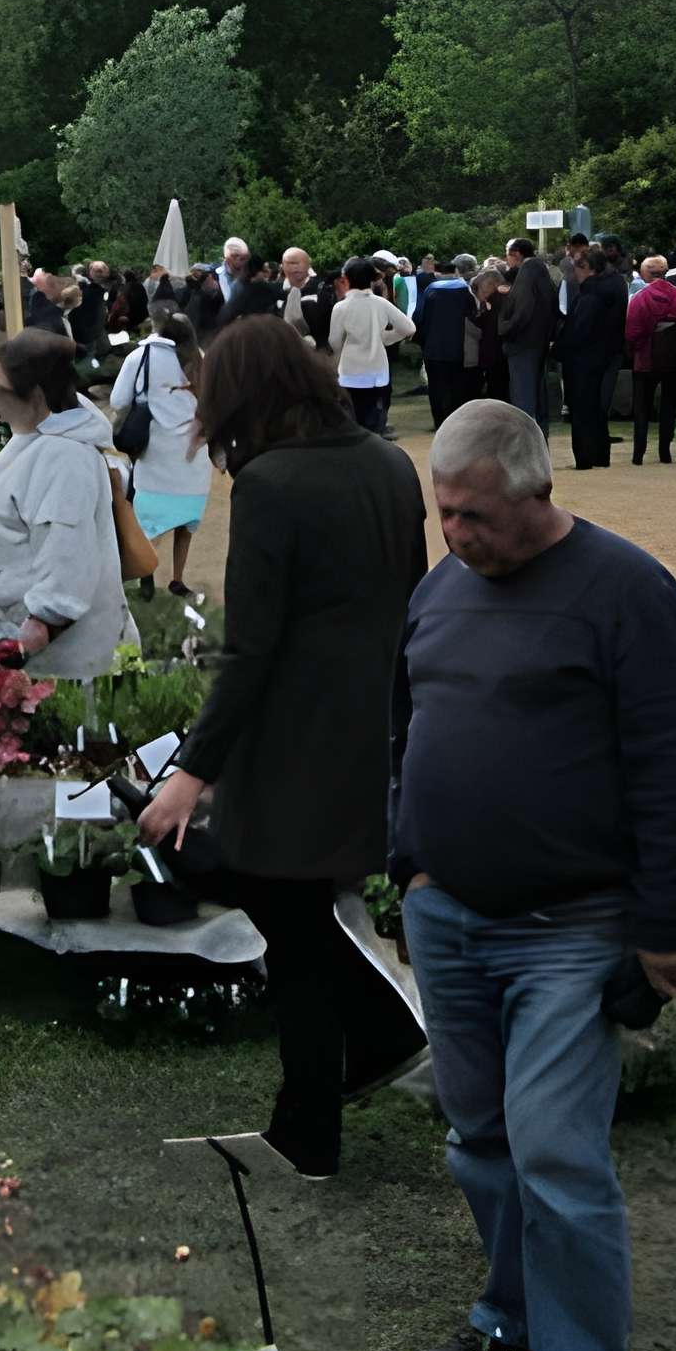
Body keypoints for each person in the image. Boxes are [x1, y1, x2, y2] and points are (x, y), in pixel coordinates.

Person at [393, 403, 676, 1351]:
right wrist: (405, 862)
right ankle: (512, 1319)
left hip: (569, 927)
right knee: (479, 1141)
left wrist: (670, 931)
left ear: (535, 494)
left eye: (474, 516)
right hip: (448, 914)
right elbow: (407, 726)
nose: (455, 535)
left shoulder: (625, 593)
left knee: (555, 1152)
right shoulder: (442, 587)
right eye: (442, 514)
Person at [136, 317, 429, 1179]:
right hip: (370, 718)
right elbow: (413, 599)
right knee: (293, 915)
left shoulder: (270, 483)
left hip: (293, 731)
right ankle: (341, 1078)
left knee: (289, 928)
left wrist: (192, 770)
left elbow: (252, 647)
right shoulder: (386, 460)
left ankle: (315, 1122)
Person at [0, 329, 132, 678]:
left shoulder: (62, 457)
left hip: (61, 663)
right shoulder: (47, 429)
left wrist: (32, 636)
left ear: (37, 395)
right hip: (39, 651)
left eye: (0, 392)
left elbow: (65, 558)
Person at [109, 307, 209, 596]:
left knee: (149, 523)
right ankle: (178, 578)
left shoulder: (140, 357)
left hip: (155, 454)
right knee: (187, 522)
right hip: (193, 457)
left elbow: (117, 401)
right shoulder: (197, 359)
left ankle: (146, 576)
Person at [319, 256, 415, 436]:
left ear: (345, 278)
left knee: (353, 422)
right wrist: (385, 338)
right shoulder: (381, 304)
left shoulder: (341, 307)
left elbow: (334, 341)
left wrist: (343, 350)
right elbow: (409, 328)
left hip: (350, 373)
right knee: (375, 423)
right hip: (378, 372)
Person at [557, 244, 628, 469]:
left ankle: (585, 458)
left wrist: (559, 348)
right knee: (597, 409)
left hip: (581, 360)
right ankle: (600, 455)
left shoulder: (590, 294)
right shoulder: (614, 287)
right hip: (606, 355)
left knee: (581, 410)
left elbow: (578, 329)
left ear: (586, 268)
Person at [624, 257, 676, 466]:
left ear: (646, 273)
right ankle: (665, 451)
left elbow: (632, 333)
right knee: (668, 407)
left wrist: (635, 351)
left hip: (645, 361)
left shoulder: (639, 299)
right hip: (672, 362)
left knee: (642, 408)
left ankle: (638, 453)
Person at [414, 254, 484, 423]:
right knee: (458, 387)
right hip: (460, 349)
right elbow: (476, 318)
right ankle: (458, 421)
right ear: (456, 272)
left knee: (437, 388)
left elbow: (418, 319)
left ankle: (440, 421)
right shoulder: (465, 291)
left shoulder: (430, 291)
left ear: (437, 272)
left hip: (434, 349)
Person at [497, 238, 557, 422]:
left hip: (523, 344)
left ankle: (526, 442)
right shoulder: (542, 273)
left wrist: (505, 328)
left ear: (515, 254)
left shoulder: (528, 272)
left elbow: (523, 310)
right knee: (536, 396)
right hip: (539, 341)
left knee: (524, 398)